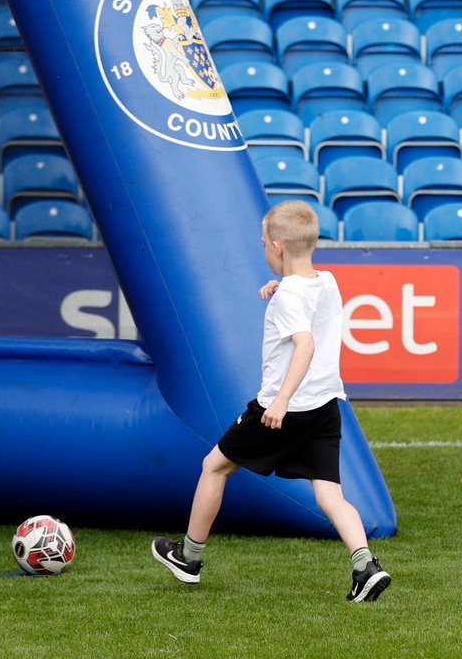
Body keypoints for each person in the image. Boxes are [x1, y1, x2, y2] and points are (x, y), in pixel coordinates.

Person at [150, 200, 391, 602]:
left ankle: (188, 557)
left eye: (264, 243)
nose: (263, 250)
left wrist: (280, 401)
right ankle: (365, 565)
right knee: (330, 494)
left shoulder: (287, 298)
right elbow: (308, 297)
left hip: (282, 411)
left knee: (214, 466)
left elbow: (305, 344)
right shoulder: (326, 282)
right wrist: (283, 285)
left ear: (277, 247)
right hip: (325, 409)